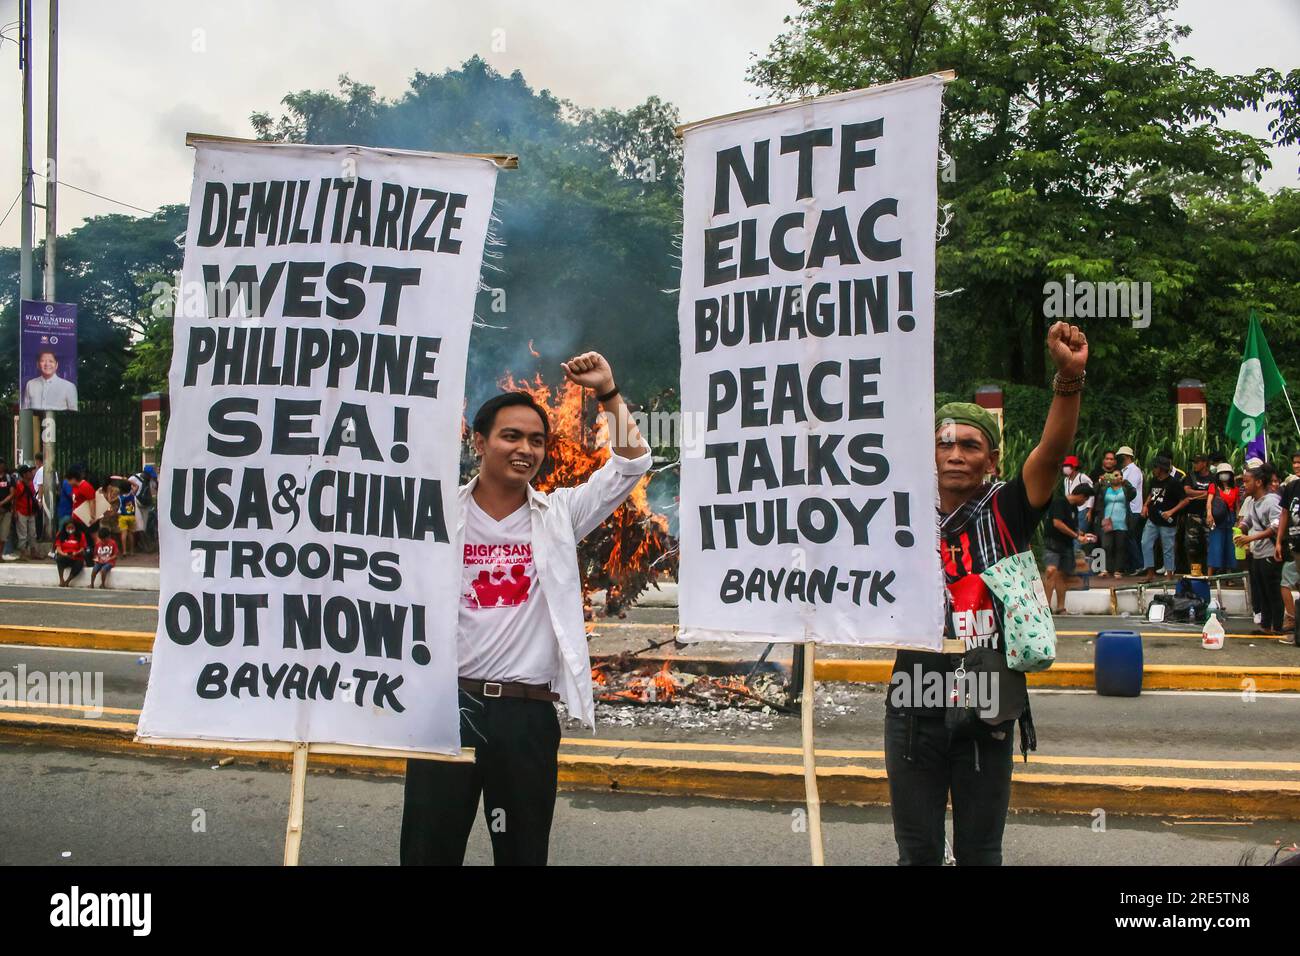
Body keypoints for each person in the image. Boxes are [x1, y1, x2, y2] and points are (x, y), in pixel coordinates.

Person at [400, 350, 651, 866]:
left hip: (526, 718)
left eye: (537, 440)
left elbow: (632, 465)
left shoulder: (559, 515)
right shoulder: (435, 513)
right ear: (479, 442)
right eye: (511, 436)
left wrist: (607, 392)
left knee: (522, 855)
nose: (525, 449)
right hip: (447, 711)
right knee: (428, 853)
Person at [884, 321, 1088, 867]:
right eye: (944, 443)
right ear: (928, 455)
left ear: (992, 460)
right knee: (917, 853)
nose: (955, 453)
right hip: (914, 698)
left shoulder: (1008, 508)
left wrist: (1068, 380)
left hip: (988, 695)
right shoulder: (897, 515)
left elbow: (1051, 453)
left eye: (970, 445)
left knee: (980, 852)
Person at [1236, 464, 1284, 636]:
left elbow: (1276, 526)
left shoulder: (1271, 501)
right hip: (1257, 553)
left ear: (1258, 482)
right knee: (1262, 591)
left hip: (1270, 552)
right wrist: (1240, 529)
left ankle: (1277, 626)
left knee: (1272, 591)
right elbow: (1247, 521)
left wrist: (1250, 538)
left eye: (1247, 481)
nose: (1244, 485)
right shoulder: (1253, 502)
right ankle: (1266, 625)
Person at [1043, 482, 1095, 614]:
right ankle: (1046, 607)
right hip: (1053, 542)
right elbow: (1057, 523)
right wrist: (1076, 536)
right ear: (1081, 496)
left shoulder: (1074, 509)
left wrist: (1082, 534)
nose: (1084, 503)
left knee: (1062, 575)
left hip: (1066, 545)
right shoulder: (1059, 503)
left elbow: (1072, 527)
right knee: (1051, 571)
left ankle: (1061, 607)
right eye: (1085, 499)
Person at [1141, 457, 1183, 582]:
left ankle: (1169, 575)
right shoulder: (1154, 480)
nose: (1153, 470)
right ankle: (1150, 573)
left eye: (1155, 467)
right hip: (1153, 518)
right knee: (1145, 543)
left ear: (1161, 469)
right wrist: (1145, 505)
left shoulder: (1174, 483)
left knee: (1168, 548)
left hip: (1167, 521)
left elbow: (1185, 500)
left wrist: (1171, 512)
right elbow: (1151, 494)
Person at [1169, 453, 1212, 574]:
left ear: (1204, 463)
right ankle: (1194, 571)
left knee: (1208, 544)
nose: (1195, 465)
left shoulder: (1212, 477)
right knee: (1191, 545)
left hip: (1208, 515)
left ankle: (1208, 572)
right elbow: (1187, 491)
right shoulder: (1190, 476)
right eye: (1194, 462)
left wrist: (1199, 493)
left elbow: (1214, 493)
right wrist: (1205, 493)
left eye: (1197, 462)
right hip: (1192, 514)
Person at [1278, 452, 1300, 642]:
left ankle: (1293, 623)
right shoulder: (1292, 487)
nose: (1297, 466)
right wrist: (1279, 541)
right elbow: (1284, 513)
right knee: (1287, 580)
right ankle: (1293, 622)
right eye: (1295, 463)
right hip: (1295, 545)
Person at [1206, 463, 1240, 577]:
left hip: (1231, 519)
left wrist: (1238, 520)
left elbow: (1237, 506)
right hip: (1217, 518)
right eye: (1222, 473)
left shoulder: (1235, 489)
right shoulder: (1213, 486)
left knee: (1230, 547)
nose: (1224, 475)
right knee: (1215, 545)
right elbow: (1209, 502)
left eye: (1226, 473)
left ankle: (1229, 576)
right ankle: (1210, 576)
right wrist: (1209, 515)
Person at [1117, 446, 1144, 574]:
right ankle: (1132, 566)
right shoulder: (1124, 470)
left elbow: (1129, 489)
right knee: (1128, 537)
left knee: (1130, 537)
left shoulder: (1134, 470)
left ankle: (1139, 565)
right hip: (1127, 508)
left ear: (1127, 457)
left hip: (1133, 508)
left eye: (1121, 456)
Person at [12, 465, 39, 560]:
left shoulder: (30, 484)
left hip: (30, 512)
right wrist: (15, 512)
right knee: (22, 534)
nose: (31, 474)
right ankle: (22, 553)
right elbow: (15, 499)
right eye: (28, 472)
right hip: (21, 511)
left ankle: (33, 552)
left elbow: (33, 497)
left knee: (33, 533)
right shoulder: (19, 485)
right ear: (24, 474)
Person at [54, 520, 87, 587]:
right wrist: (64, 554)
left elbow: (82, 548)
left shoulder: (81, 535)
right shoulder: (61, 535)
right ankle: (61, 580)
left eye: (72, 528)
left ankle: (68, 581)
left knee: (79, 563)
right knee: (59, 559)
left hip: (76, 556)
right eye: (68, 528)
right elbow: (58, 548)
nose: (70, 529)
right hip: (64, 555)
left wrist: (76, 553)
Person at [0, 461, 15, 561]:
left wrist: (2, 503)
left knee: (4, 535)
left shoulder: (9, 478)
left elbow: (12, 493)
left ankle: (0, 554)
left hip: (6, 510)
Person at [31, 453, 45, 543]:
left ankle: (39, 536)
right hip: (48, 499)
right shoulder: (52, 470)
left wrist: (39, 500)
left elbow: (40, 486)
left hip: (40, 498)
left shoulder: (41, 470)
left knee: (39, 519)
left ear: (38, 460)